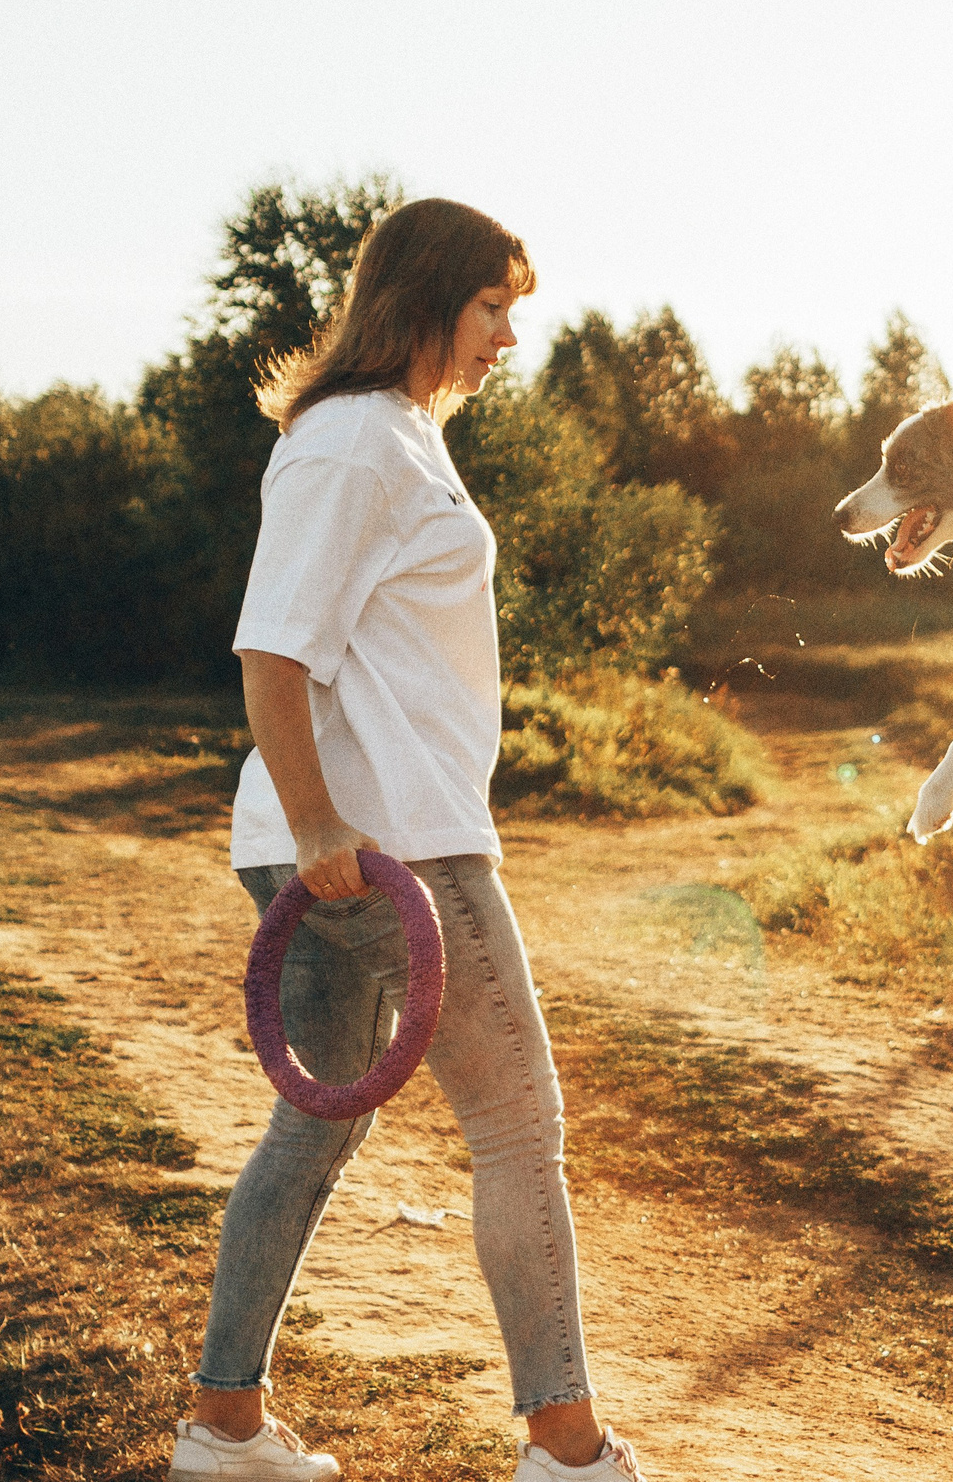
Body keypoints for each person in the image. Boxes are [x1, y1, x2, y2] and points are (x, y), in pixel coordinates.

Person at [169, 198, 646, 1482]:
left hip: (359, 839)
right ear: (424, 301)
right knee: (518, 1123)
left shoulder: (395, 438)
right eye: (491, 307)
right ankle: (569, 1448)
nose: (505, 337)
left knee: (314, 1125)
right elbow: (272, 648)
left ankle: (225, 1431)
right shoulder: (353, 444)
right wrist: (325, 823)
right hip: (389, 852)